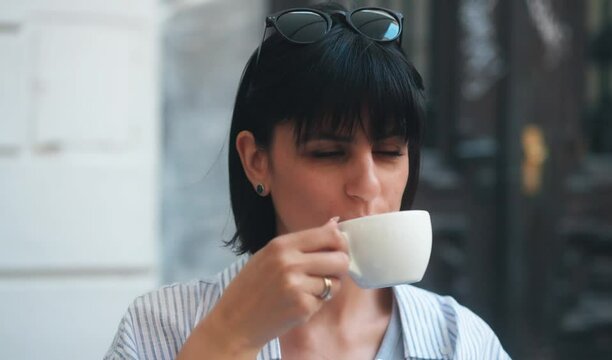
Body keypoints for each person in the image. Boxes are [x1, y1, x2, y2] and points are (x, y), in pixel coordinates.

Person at [105, 2, 511, 359]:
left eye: (389, 152)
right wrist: (229, 337)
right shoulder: (158, 331)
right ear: (256, 161)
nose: (367, 185)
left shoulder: (458, 341)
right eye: (328, 153)